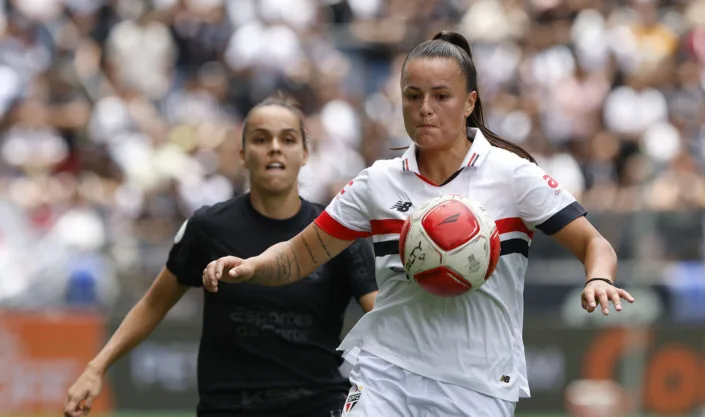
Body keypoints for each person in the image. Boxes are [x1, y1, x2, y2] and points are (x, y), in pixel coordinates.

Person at [202, 31, 635, 417]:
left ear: (470, 102)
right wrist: (254, 266)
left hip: (479, 384)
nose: (424, 109)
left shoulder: (514, 176)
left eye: (441, 96)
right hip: (386, 372)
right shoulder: (377, 182)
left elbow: (594, 243)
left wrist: (598, 277)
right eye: (413, 96)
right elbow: (298, 255)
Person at [64, 93, 378, 417]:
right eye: (260, 139)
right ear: (242, 154)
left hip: (317, 407)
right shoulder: (208, 227)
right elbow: (153, 303)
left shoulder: (338, 234)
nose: (274, 147)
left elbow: (381, 318)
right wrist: (96, 367)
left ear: (305, 154)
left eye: (287, 139)